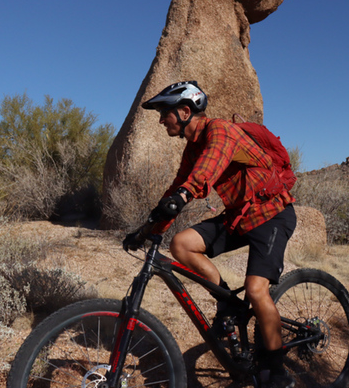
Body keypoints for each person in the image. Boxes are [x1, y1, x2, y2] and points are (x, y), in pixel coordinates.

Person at [122, 80, 297, 388]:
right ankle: (227, 303)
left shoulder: (220, 131)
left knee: (256, 291)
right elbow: (177, 187)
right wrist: (147, 229)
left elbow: (207, 169)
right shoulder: (192, 148)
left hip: (271, 215)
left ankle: (276, 371)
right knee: (182, 244)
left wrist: (184, 195)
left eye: (165, 112)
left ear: (185, 111)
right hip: (241, 217)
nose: (161, 120)